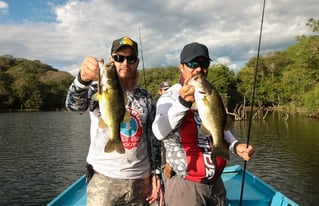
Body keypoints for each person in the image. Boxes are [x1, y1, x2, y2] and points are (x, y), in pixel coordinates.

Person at [152, 42, 254, 206]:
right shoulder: (170, 96)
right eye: (193, 64)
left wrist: (235, 145)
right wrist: (183, 103)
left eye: (204, 64)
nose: (199, 68)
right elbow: (158, 132)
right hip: (186, 185)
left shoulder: (211, 92)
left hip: (215, 184)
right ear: (181, 67)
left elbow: (217, 123)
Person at [65, 36, 163, 206]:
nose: (125, 63)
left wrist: (156, 174)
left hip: (141, 179)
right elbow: (73, 105)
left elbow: (152, 140)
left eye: (130, 58)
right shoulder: (98, 89)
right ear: (111, 60)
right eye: (119, 58)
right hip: (105, 178)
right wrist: (83, 79)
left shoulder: (145, 97)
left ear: (137, 62)